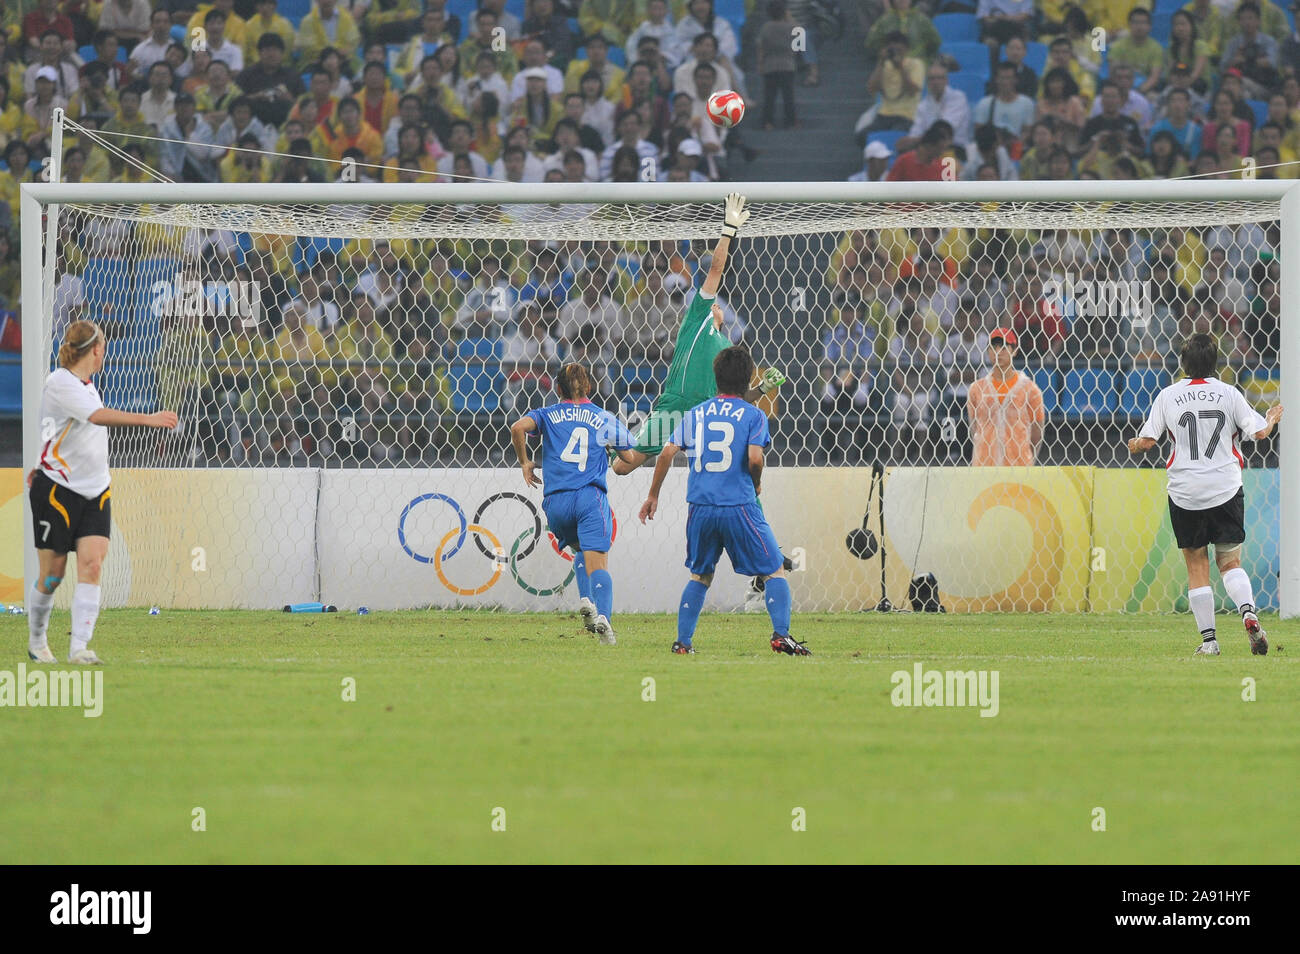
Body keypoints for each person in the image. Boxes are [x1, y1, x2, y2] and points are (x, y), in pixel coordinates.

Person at [637, 345, 809, 656]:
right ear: (747, 379)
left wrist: (653, 495)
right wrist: (756, 484)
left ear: (715, 378)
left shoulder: (696, 414)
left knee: (700, 576)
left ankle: (683, 643)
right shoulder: (754, 415)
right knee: (774, 570)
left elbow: (665, 453)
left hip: (700, 508)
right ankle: (781, 635)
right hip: (739, 506)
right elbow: (755, 458)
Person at [26, 319, 178, 665]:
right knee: (53, 575)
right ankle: (37, 641)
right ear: (95, 350)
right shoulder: (59, 383)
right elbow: (95, 418)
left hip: (96, 491)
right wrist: (148, 419)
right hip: (57, 491)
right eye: (103, 349)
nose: (104, 355)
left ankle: (79, 647)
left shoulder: (87, 385)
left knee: (92, 565)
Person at [1127, 332, 1283, 656]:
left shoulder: (1168, 396)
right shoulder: (1229, 393)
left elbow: (1147, 443)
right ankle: (1249, 613)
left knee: (1196, 565)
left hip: (1185, 493)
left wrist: (1133, 444)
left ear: (1183, 364)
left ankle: (1210, 642)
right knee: (1229, 561)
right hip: (1224, 487)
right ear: (1216, 363)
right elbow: (1259, 433)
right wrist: (1269, 419)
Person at [612, 194, 783, 475]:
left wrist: (763, 389)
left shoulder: (729, 349)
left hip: (705, 412)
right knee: (621, 467)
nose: (715, 305)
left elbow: (735, 397)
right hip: (676, 405)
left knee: (702, 469)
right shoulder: (695, 320)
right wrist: (728, 230)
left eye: (717, 304)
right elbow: (716, 268)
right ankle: (615, 441)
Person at [509, 363, 639, 643]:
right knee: (599, 560)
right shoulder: (602, 417)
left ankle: (585, 600)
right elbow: (629, 456)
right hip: (588, 497)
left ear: (558, 390)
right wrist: (608, 454)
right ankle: (604, 617)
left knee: (579, 545)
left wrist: (525, 462)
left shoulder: (547, 414)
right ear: (590, 387)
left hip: (556, 503)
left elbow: (517, 427)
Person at [965, 326, 1044, 466]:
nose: (998, 352)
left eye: (1003, 347)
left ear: (1014, 351)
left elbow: (1037, 433)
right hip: (985, 466)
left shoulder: (1030, 390)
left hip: (1018, 466)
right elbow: (974, 430)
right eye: (993, 347)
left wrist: (1026, 459)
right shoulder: (976, 390)